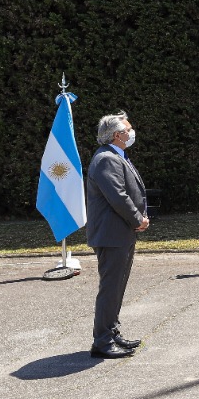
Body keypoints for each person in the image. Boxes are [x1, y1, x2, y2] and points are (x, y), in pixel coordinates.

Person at [86, 112, 149, 359]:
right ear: (117, 135)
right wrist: (138, 219)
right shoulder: (106, 159)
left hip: (120, 233)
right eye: (128, 130)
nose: (132, 133)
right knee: (110, 288)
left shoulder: (115, 156)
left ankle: (111, 333)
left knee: (116, 287)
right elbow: (118, 196)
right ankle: (102, 342)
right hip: (112, 235)